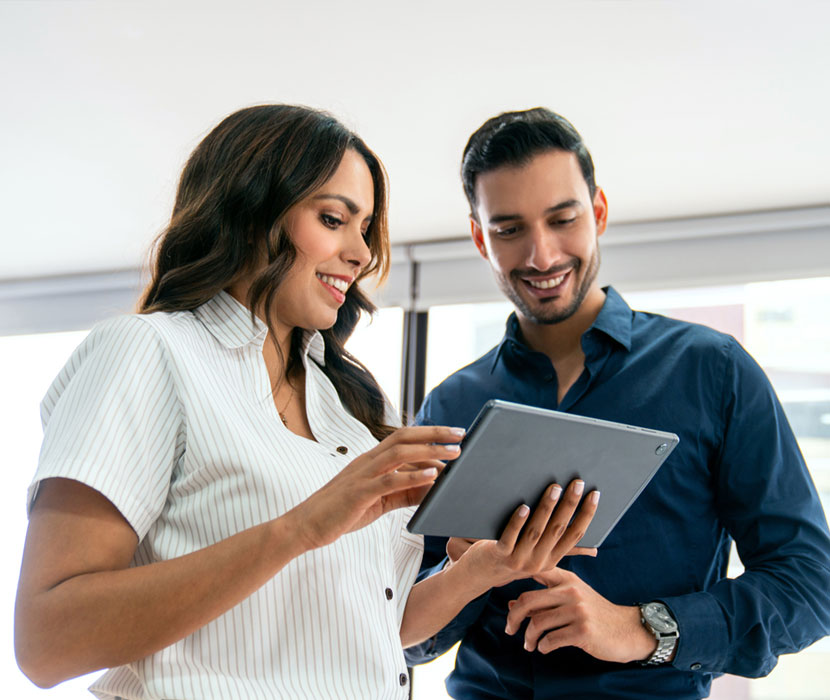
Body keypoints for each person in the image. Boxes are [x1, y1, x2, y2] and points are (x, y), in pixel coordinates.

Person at [13, 105, 600, 700]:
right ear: (250, 212)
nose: (362, 253)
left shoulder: (344, 402)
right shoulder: (148, 352)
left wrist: (478, 572)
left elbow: (360, 630)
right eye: (333, 219)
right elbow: (47, 642)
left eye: (365, 229)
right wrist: (300, 528)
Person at [405, 107, 830, 699]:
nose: (541, 255)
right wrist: (463, 575)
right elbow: (400, 630)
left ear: (598, 211)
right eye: (509, 229)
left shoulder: (714, 371)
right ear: (480, 237)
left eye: (562, 219)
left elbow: (809, 584)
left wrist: (636, 628)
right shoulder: (451, 403)